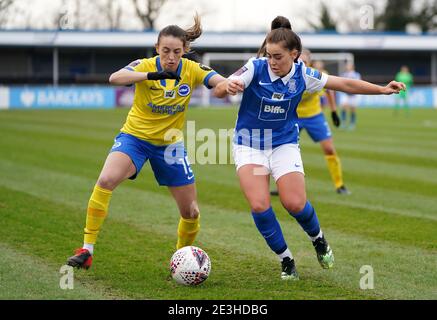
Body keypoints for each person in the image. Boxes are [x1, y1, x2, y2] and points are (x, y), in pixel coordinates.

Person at [214, 16, 405, 280]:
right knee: (259, 205)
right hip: (250, 145)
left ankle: (318, 239)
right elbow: (219, 90)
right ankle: (286, 260)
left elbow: (345, 84)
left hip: (283, 144)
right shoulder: (254, 68)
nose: (272, 62)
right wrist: (227, 86)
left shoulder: (304, 75)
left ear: (295, 55)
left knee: (294, 203)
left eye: (278, 57)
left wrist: (383, 89)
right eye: (269, 55)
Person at [66, 15, 227, 269]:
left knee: (191, 212)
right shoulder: (144, 65)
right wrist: (151, 75)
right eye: (165, 51)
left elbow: (218, 80)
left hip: (170, 146)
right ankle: (87, 250)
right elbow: (115, 78)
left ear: (184, 51)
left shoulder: (192, 69)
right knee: (106, 179)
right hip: (135, 139)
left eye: (176, 51)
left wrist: (226, 85)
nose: (171, 57)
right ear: (157, 49)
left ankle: (181, 259)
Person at [270, 48, 350, 195]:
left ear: (310, 62)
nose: (302, 63)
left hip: (315, 116)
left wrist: (333, 112)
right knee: (282, 150)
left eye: (305, 61)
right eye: (299, 61)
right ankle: (281, 186)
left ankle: (340, 185)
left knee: (329, 149)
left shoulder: (314, 76)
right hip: (293, 117)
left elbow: (329, 90)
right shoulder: (286, 75)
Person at [340, 63, 362, 130]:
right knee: (343, 106)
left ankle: (352, 123)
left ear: (352, 67)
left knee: (353, 109)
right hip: (345, 94)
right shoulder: (344, 74)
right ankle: (343, 122)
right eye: (347, 66)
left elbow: (358, 83)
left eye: (348, 66)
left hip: (353, 95)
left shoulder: (356, 75)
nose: (347, 67)